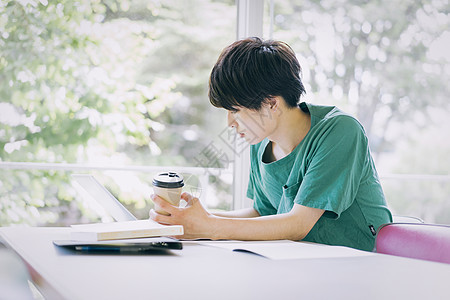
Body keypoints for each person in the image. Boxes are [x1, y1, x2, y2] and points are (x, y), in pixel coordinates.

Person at [150, 37, 392, 251]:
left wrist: (208, 226)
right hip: (298, 263)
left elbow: (297, 224)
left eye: (236, 110)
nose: (230, 123)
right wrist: (185, 219)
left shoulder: (339, 131)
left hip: (359, 264)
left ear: (272, 105)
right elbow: (262, 213)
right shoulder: (261, 140)